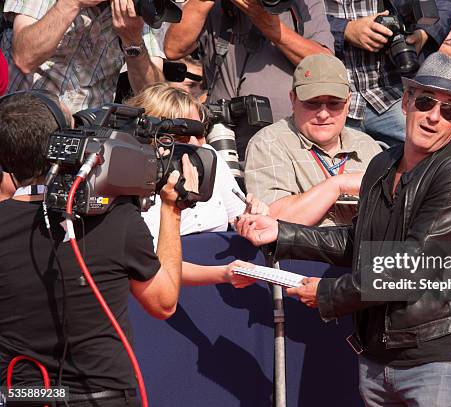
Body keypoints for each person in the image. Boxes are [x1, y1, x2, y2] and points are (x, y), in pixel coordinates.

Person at [237, 52, 451, 406]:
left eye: (448, 110)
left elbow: (412, 264)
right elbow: (359, 241)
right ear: (406, 102)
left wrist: (328, 294)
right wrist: (282, 232)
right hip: (376, 356)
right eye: (427, 102)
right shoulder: (382, 162)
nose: (433, 116)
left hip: (435, 357)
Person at [0, 91, 195, 405]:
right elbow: (163, 303)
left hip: (21, 396)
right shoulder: (117, 220)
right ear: (67, 143)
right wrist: (172, 210)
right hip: (100, 398)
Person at [125, 82, 263, 287]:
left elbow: (240, 220)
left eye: (199, 133)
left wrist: (253, 217)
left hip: (224, 289)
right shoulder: (129, 176)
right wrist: (222, 274)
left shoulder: (210, 157)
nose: (195, 143)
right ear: (152, 137)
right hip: (157, 294)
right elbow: (147, 265)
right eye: (182, 135)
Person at [163, 0, 334, 159]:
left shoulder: (303, 5)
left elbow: (327, 66)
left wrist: (270, 26)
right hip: (222, 138)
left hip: (286, 142)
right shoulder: (216, 6)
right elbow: (173, 49)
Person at [244, 54, 381, 227]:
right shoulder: (269, 143)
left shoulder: (368, 146)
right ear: (293, 99)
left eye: (334, 103)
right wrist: (337, 185)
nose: (323, 114)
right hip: (302, 254)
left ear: (349, 102)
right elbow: (273, 220)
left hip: (365, 250)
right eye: (312, 103)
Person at [329, 0, 451, 146]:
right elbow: (306, 20)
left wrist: (425, 33)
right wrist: (344, 29)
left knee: (436, 150)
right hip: (328, 99)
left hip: (392, 91)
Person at [0, 0, 165, 112]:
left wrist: (133, 41)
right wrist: (72, 3)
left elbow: (154, 95)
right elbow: (24, 58)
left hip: (86, 139)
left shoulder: (137, 10)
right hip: (23, 123)